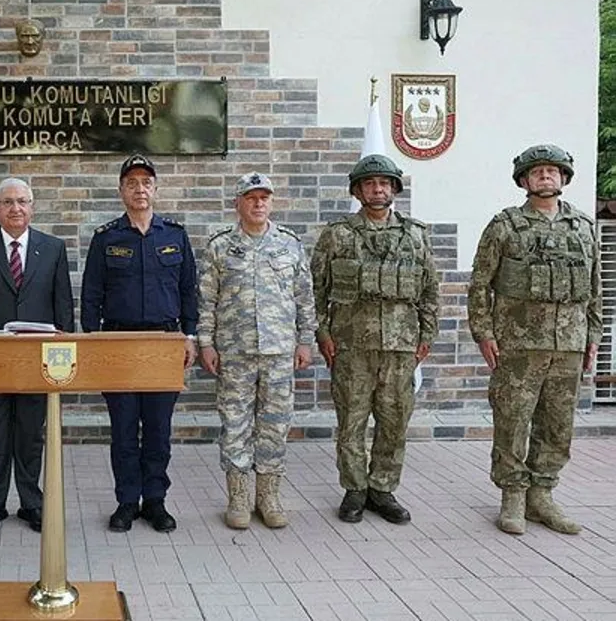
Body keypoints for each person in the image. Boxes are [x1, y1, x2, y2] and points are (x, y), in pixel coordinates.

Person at [467, 144, 600, 536]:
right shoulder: (504, 227)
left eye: (552, 171)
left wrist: (593, 336)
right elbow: (480, 285)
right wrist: (484, 333)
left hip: (569, 344)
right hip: (518, 346)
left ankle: (541, 495)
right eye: (537, 171)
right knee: (512, 420)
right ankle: (512, 495)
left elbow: (594, 289)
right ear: (524, 180)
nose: (545, 176)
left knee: (558, 424)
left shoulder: (583, 227)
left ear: (564, 178)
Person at [311, 154, 439, 525]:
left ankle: (382, 489)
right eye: (369, 183)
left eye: (384, 183)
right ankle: (355, 489)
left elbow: (430, 289)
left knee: (394, 422)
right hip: (351, 345)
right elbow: (316, 289)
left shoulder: (415, 235)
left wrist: (427, 334)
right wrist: (322, 332)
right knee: (351, 422)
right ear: (357, 191)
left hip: (401, 345)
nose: (377, 189)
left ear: (394, 189)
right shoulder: (337, 235)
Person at [81, 153, 198, 533]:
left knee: (159, 430)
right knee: (124, 430)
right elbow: (91, 294)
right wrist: (93, 343)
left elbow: (188, 291)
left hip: (164, 344)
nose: (140, 189)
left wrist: (190, 336)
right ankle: (127, 502)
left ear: (156, 189)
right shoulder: (106, 238)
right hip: (118, 343)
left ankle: (156, 501)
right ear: (121, 191)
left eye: (146, 182)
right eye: (132, 183)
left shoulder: (175, 235)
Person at [0, 178, 75, 534]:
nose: (15, 208)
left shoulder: (53, 248)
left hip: (37, 361)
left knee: (30, 435)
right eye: (7, 202)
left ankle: (32, 503)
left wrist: (64, 356)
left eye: (22, 201)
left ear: (32, 207)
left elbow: (63, 307)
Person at [197, 172, 316, 530]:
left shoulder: (289, 244)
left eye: (264, 197)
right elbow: (207, 300)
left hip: (280, 351)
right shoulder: (220, 246)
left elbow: (304, 296)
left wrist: (305, 339)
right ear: (238, 203)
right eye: (251, 197)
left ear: (272, 202)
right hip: (235, 352)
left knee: (275, 424)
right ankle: (238, 497)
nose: (258, 203)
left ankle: (268, 496)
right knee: (235, 423)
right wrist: (206, 342)